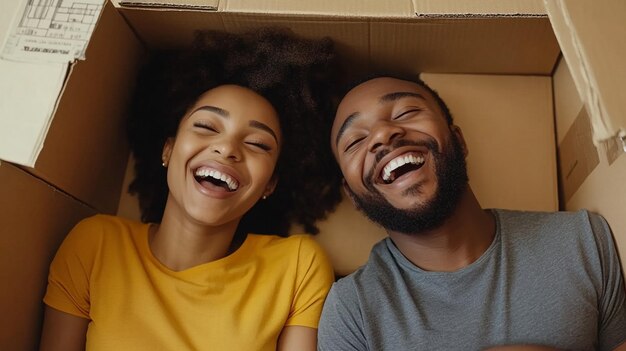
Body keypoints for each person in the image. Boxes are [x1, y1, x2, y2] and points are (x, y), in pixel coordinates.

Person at [39, 28, 342, 351]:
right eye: (206, 126)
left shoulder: (297, 267)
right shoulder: (95, 245)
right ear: (168, 150)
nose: (227, 148)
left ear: (270, 183)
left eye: (257, 143)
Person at [317, 75, 626, 350]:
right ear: (353, 196)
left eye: (406, 112)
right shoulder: (351, 312)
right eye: (355, 140)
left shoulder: (582, 241)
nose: (383, 134)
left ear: (459, 141)